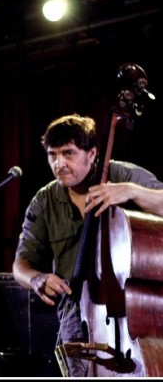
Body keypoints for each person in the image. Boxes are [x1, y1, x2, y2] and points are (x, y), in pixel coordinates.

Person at [12, 113, 163, 377]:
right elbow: (20, 265)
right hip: (76, 316)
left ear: (92, 153)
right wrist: (37, 279)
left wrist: (132, 191)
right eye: (53, 155)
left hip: (132, 311)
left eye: (68, 153)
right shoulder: (44, 200)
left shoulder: (120, 174)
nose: (59, 163)